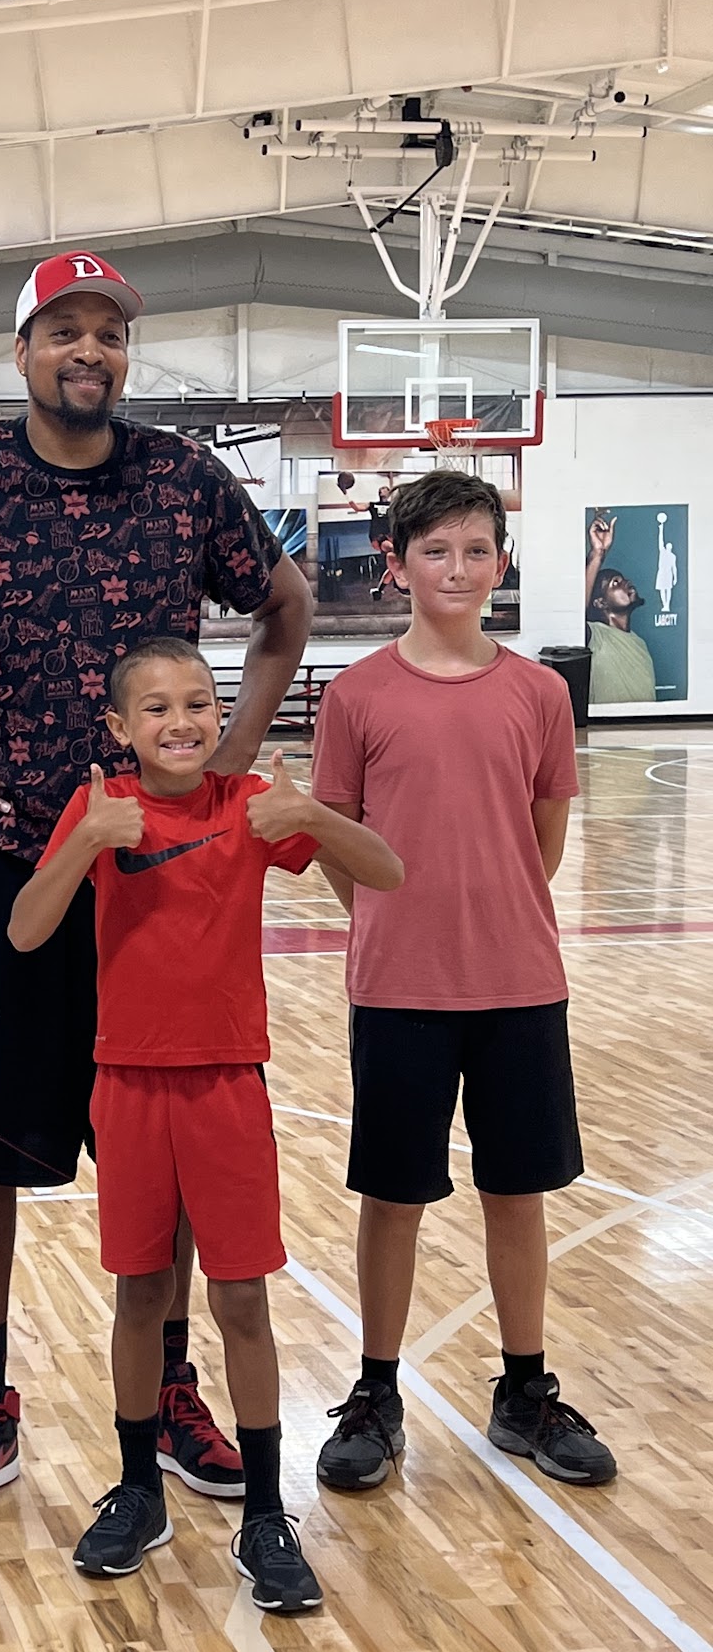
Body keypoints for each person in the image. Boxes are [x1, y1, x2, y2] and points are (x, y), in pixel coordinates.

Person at [0, 250, 313, 1522]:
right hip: (11, 861)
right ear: (23, 352)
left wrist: (233, 753)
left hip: (159, 881)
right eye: (64, 330)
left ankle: (170, 1384)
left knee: (171, 1143)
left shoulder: (183, 480)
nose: (89, 350)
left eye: (109, 332)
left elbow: (285, 606)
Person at [7, 639, 402, 1609]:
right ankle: (138, 1488)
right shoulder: (104, 809)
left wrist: (312, 815)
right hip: (127, 1086)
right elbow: (24, 928)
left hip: (228, 1085)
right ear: (118, 727)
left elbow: (388, 873)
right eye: (156, 708)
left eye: (198, 703)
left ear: (219, 714)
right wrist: (87, 842)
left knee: (242, 1303)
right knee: (141, 1295)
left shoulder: (248, 805)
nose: (180, 722)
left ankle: (266, 1511)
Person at [311, 470, 617, 1493]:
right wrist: (397, 924)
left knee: (516, 1192)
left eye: (475, 550)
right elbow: (339, 841)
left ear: (501, 563)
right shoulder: (356, 696)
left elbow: (544, 840)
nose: (456, 568)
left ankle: (525, 1389)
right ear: (396, 566)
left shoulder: (539, 694)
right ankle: (376, 1393)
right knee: (392, 1196)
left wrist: (491, 916)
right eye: (434, 550)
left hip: (519, 985)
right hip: (398, 989)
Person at [585, 511, 655, 705]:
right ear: (600, 603)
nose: (626, 582)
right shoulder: (594, 635)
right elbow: (574, 612)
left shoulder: (639, 643)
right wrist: (598, 554)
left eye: (623, 579)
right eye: (615, 583)